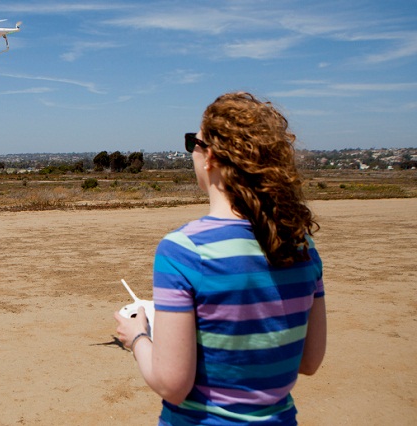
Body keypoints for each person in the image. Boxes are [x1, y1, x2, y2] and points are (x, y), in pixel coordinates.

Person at [114, 92, 327, 425]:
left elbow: (172, 385)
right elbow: (310, 361)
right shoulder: (303, 247)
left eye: (193, 142)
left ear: (209, 155)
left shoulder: (183, 250)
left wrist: (138, 336)